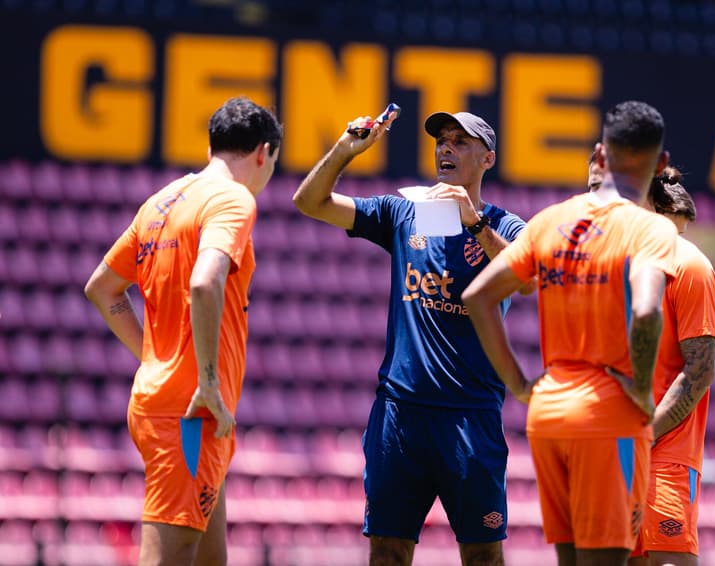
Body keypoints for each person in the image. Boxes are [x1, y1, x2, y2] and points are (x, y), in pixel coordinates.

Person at [292, 108, 527, 566]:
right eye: (442, 140)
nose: (446, 148)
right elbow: (310, 202)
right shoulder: (403, 211)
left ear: (488, 159)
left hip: (470, 417)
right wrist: (345, 150)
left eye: (461, 141)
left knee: (483, 556)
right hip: (400, 415)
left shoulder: (506, 224)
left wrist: (473, 221)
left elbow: (524, 273)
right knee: (387, 552)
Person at [463, 100, 678, 566]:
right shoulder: (649, 230)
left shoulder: (548, 221)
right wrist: (641, 390)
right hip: (608, 418)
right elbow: (645, 311)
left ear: (601, 154)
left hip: (548, 414)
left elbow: (477, 296)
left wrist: (520, 385)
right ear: (660, 165)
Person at [84, 96, 282, 566]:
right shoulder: (233, 198)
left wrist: (156, 359)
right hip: (193, 414)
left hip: (171, 403)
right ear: (263, 152)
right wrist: (208, 382)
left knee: (208, 560)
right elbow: (204, 280)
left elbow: (103, 289)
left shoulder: (162, 200)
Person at [618, 168, 715, 566]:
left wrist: (642, 435)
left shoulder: (689, 265)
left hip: (664, 459)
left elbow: (700, 371)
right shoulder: (619, 267)